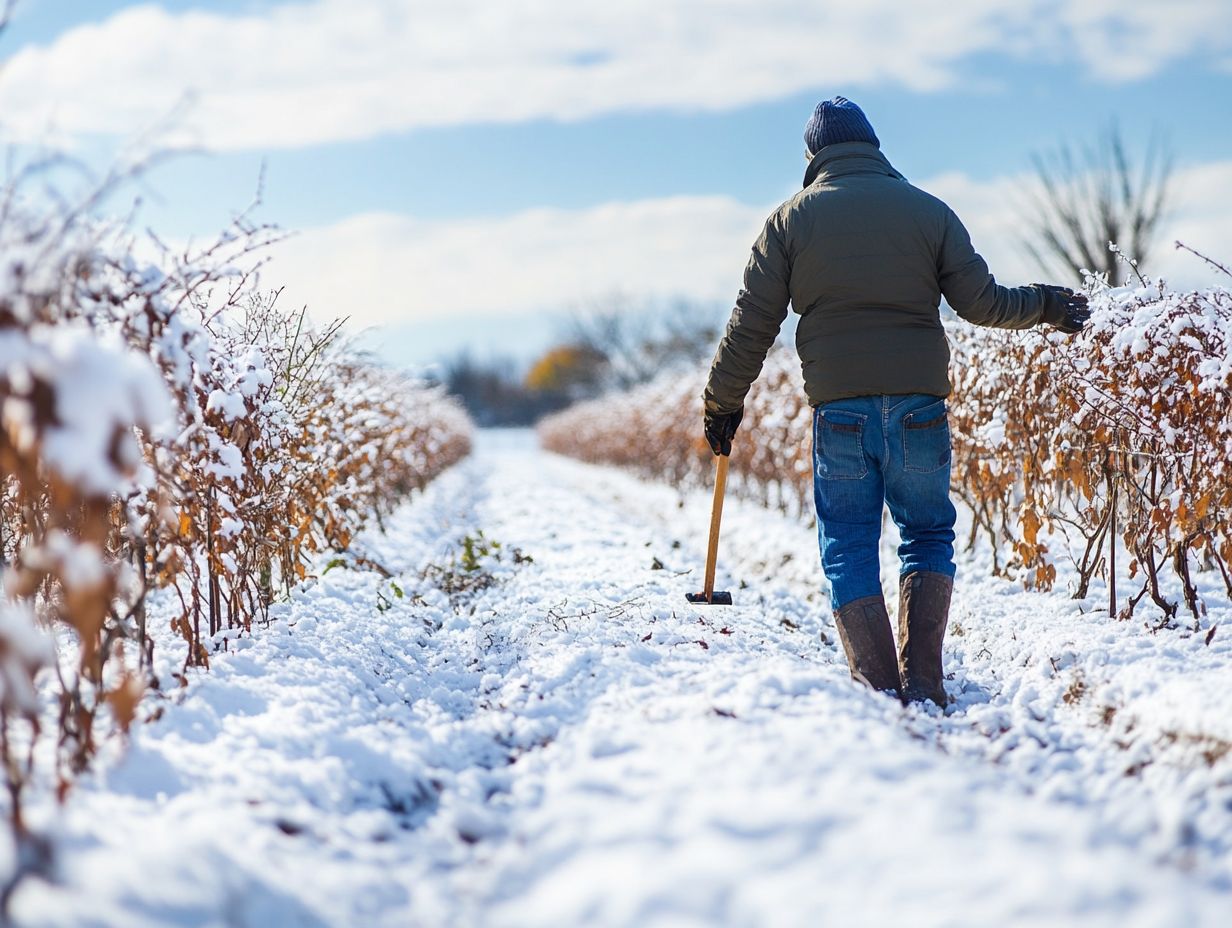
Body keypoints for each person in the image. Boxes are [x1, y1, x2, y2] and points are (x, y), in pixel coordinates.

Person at [701, 96, 1089, 706]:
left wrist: (722, 404)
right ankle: (926, 682)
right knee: (928, 531)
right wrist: (1046, 304)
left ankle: (879, 689)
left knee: (849, 542)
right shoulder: (928, 212)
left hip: (841, 412)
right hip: (919, 409)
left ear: (813, 156)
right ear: (874, 146)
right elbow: (981, 303)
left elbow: (752, 325)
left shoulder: (788, 223)